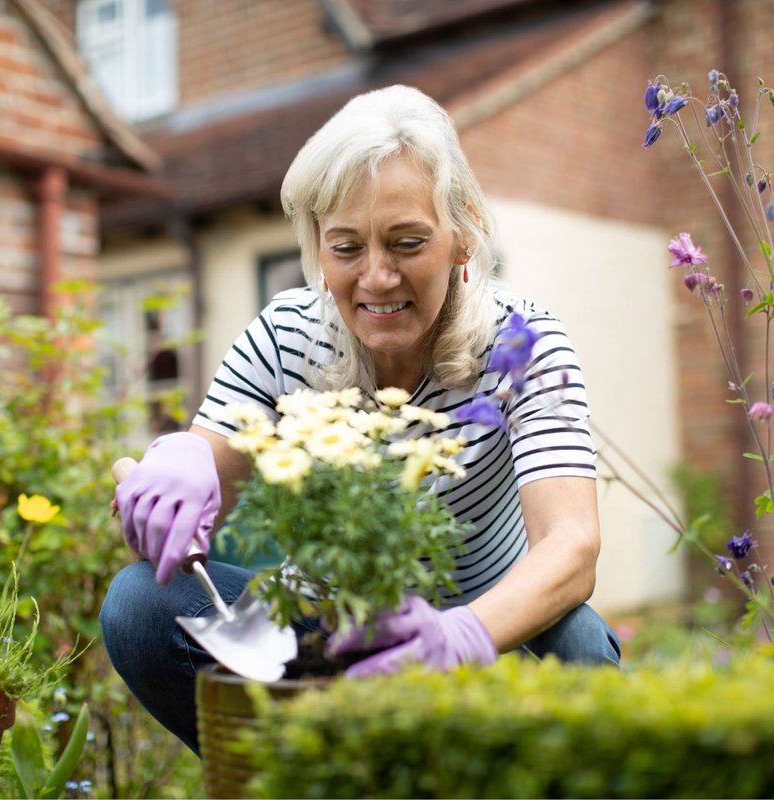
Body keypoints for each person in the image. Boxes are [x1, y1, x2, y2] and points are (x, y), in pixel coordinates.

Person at [101, 84, 620, 755]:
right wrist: (181, 464)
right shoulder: (286, 336)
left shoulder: (523, 344)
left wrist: (460, 636)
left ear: (463, 237)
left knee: (578, 644)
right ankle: (298, 782)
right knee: (142, 605)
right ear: (317, 246)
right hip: (326, 636)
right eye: (346, 248)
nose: (376, 278)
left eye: (406, 242)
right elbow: (205, 492)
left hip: (488, 637)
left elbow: (571, 546)